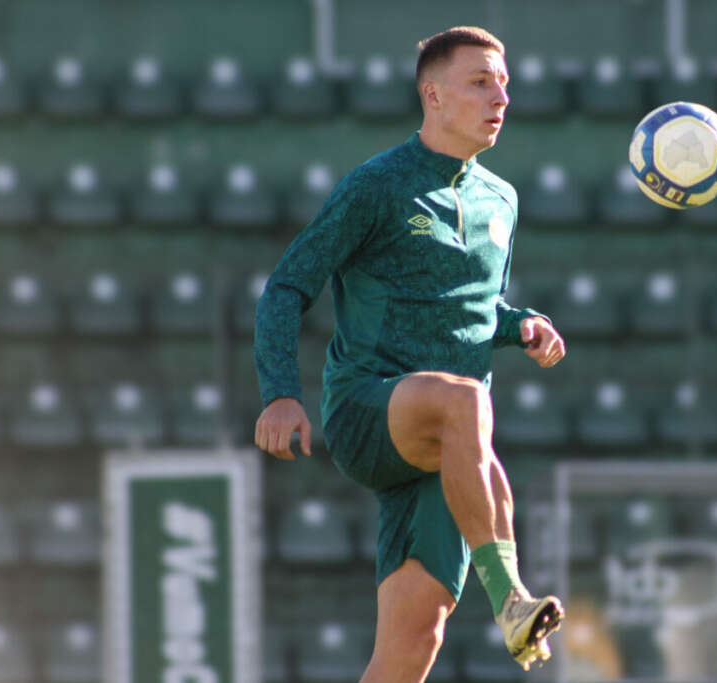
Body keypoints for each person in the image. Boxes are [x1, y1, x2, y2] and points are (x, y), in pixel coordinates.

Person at [253, 25, 566, 682]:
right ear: (433, 94)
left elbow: (472, 311)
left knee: (411, 643)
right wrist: (282, 390)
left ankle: (504, 598)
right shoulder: (377, 185)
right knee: (464, 400)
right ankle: (510, 597)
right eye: (480, 81)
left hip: (445, 446)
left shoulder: (501, 200)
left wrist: (523, 326)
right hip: (369, 406)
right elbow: (286, 285)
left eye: (504, 82)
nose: (500, 96)